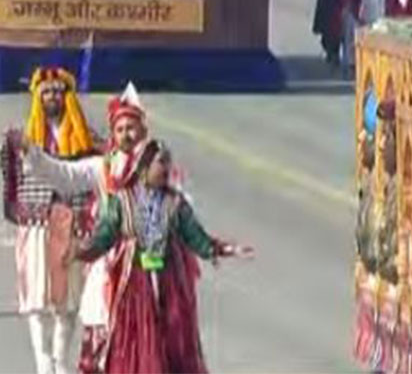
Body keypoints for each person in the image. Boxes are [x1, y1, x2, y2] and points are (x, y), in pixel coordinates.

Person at [21, 85, 173, 374]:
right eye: (120, 129)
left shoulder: (158, 170)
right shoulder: (101, 167)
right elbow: (64, 175)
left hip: (146, 274)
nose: (126, 134)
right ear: (113, 134)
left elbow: (176, 211)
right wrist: (32, 152)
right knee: (98, 354)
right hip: (108, 274)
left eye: (132, 128)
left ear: (143, 130)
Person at [77, 139, 246, 374]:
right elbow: (104, 236)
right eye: (160, 163)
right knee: (137, 339)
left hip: (170, 284)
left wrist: (222, 249)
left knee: (173, 338)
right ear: (144, 166)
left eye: (168, 162)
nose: (166, 169)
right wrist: (81, 252)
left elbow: (195, 236)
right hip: (135, 286)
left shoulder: (175, 202)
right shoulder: (122, 201)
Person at [3, 67, 100, 374]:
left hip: (73, 223)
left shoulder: (88, 138)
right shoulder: (23, 139)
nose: (53, 97)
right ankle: (43, 362)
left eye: (58, 91)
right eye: (46, 92)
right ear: (37, 97)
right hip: (36, 225)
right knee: (36, 298)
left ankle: (60, 361)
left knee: (69, 300)